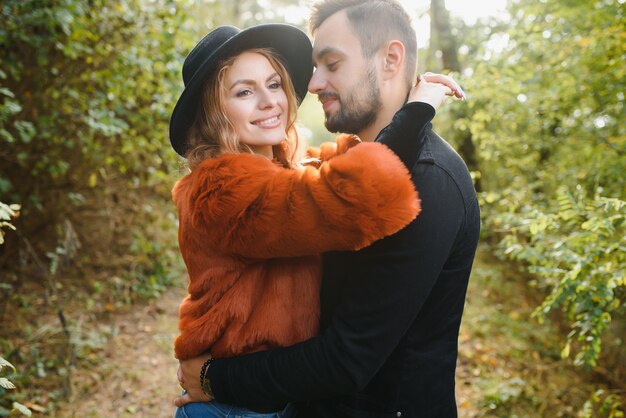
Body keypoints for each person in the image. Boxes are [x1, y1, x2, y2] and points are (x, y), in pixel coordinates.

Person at [175, 1, 480, 417]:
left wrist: (412, 109)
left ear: (392, 60)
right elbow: (335, 192)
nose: (313, 83)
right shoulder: (220, 186)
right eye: (244, 91)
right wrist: (414, 113)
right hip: (241, 408)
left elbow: (334, 167)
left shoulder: (429, 179)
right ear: (214, 114)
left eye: (275, 84)